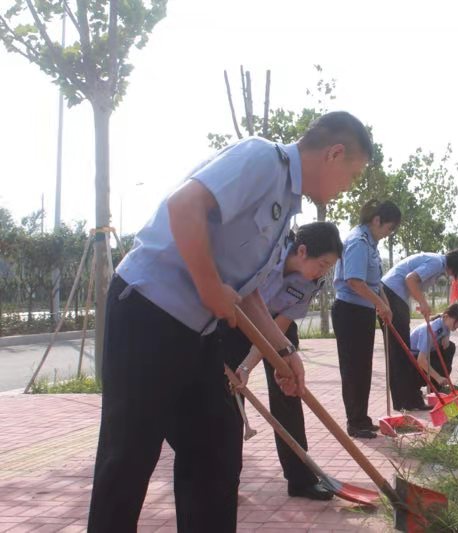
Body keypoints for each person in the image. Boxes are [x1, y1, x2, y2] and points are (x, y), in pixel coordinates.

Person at [87, 111, 372, 533]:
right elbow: (184, 205)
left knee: (217, 452)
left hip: (197, 335)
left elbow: (246, 293)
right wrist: (208, 287)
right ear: (334, 154)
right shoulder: (261, 159)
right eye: (351, 175)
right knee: (127, 458)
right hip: (148, 314)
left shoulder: (286, 213)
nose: (347, 187)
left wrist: (283, 352)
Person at [219, 222, 342, 501]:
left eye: (328, 267)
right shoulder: (266, 255)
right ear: (302, 251)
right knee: (228, 400)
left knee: (288, 391)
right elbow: (243, 303)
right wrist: (241, 370)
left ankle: (300, 479)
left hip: (278, 331)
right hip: (236, 322)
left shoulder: (311, 283)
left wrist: (249, 364)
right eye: (322, 264)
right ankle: (224, 480)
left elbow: (280, 324)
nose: (323, 272)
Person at [332, 200, 401, 439]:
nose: (388, 234)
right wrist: (379, 303)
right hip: (349, 311)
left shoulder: (371, 244)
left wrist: (385, 303)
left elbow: (374, 281)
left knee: (363, 368)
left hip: (363, 311)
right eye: (388, 228)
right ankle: (355, 422)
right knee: (353, 369)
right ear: (376, 220)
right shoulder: (358, 242)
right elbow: (354, 281)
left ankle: (362, 418)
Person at [381, 249, 458, 410]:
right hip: (391, 295)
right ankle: (407, 401)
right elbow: (410, 279)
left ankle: (407, 400)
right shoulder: (436, 263)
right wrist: (423, 302)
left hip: (395, 296)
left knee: (398, 351)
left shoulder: (438, 265)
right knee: (399, 351)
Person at [409, 303, 458, 394]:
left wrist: (446, 338)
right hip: (412, 359)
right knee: (438, 365)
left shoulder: (445, 324)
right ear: (446, 317)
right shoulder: (431, 330)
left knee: (450, 347)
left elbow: (445, 343)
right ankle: (424, 385)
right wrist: (438, 377)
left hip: (428, 354)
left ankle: (437, 387)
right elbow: (421, 360)